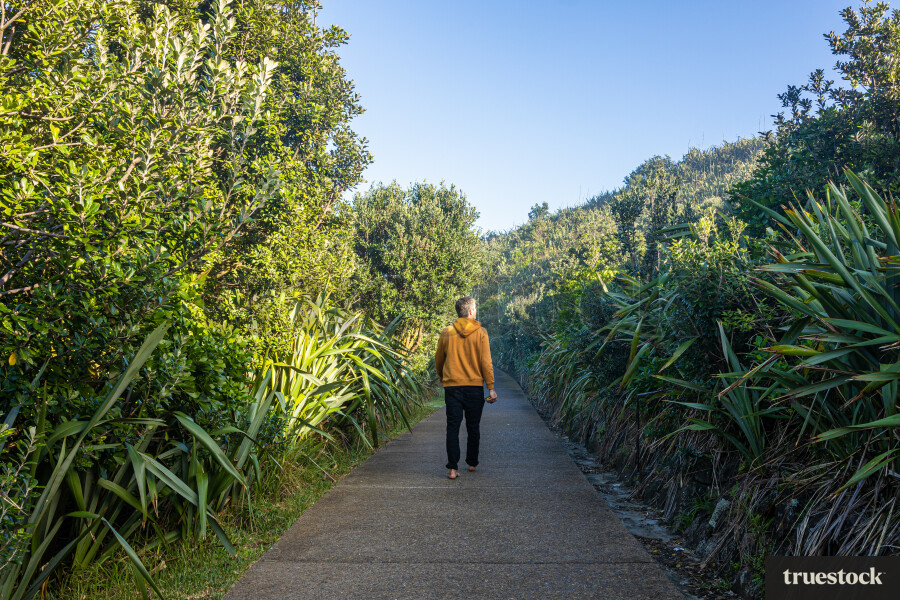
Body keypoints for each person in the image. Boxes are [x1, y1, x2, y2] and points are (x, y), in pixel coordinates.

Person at [434, 296, 497, 480]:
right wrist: (490, 387)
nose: (476, 311)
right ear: (470, 311)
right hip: (474, 388)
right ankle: (471, 463)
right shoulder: (481, 333)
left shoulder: (447, 332)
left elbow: (439, 358)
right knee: (473, 426)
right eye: (475, 308)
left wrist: (441, 375)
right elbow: (486, 362)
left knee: (452, 427)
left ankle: (452, 469)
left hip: (452, 387)